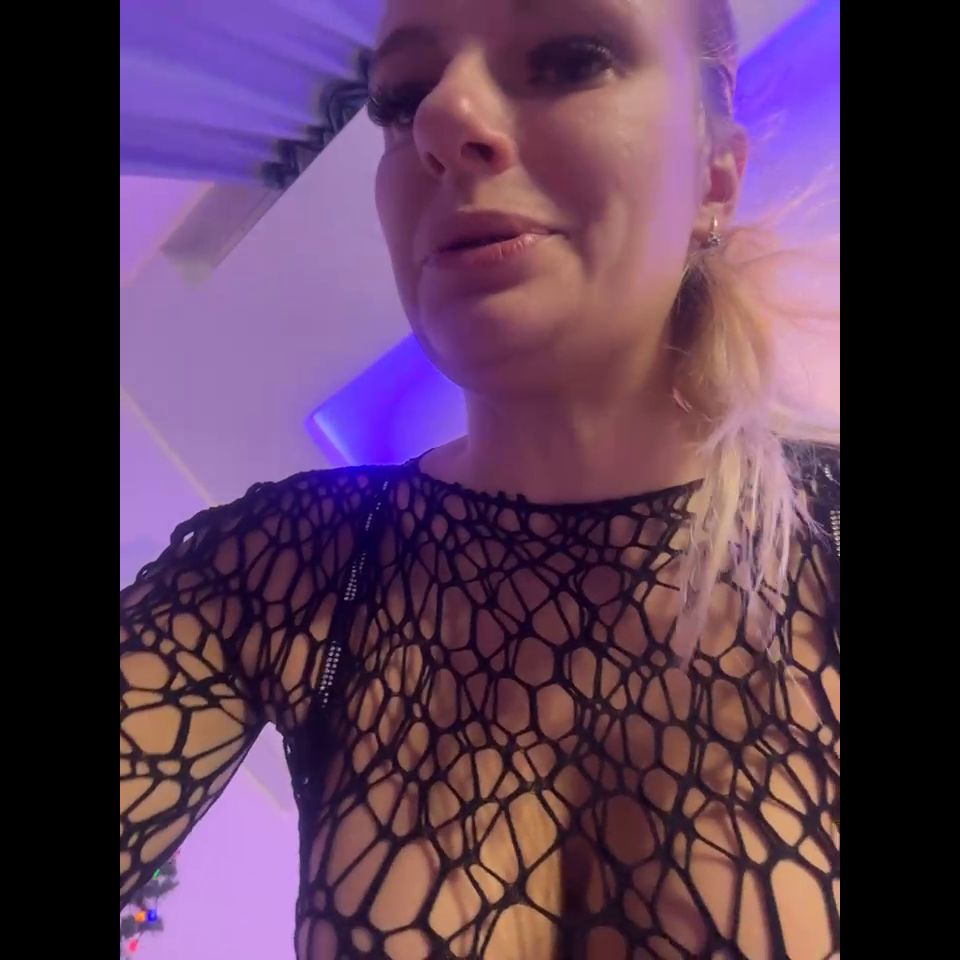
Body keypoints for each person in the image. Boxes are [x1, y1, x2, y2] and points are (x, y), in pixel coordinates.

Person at [120, 0, 839, 956]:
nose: (440, 116)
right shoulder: (279, 569)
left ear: (714, 176)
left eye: (572, 57)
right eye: (400, 95)